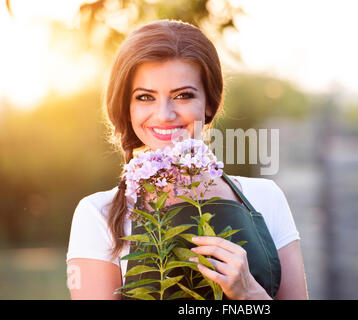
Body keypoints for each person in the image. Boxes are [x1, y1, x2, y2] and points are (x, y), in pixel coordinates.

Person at [66, 19, 308, 300]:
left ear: (209, 103)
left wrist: (250, 294)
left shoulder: (266, 197)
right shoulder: (99, 214)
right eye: (145, 97)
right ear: (126, 107)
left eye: (182, 95)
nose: (164, 115)